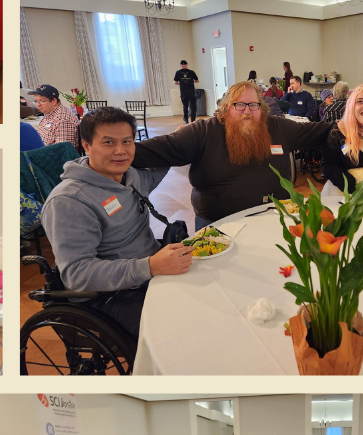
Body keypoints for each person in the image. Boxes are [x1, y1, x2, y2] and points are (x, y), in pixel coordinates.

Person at [41, 106, 194, 348]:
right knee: (183, 333)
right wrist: (150, 266)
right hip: (109, 297)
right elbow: (77, 274)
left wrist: (179, 136)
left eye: (127, 141)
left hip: (150, 274)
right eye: (109, 142)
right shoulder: (69, 201)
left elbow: (161, 166)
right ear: (87, 145)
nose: (120, 151)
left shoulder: (130, 177)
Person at [132, 80, 335, 228]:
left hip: (273, 218)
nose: (247, 111)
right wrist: (112, 153)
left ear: (261, 108)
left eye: (253, 105)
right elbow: (158, 149)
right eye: (239, 105)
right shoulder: (203, 132)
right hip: (217, 224)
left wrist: (355, 123)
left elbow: (321, 131)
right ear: (226, 108)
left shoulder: (276, 127)